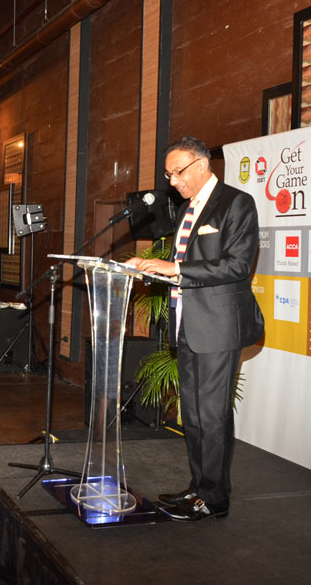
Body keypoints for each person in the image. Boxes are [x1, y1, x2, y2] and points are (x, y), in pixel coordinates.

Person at [127, 136, 264, 522]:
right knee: (194, 415)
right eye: (168, 175)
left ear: (202, 165)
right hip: (186, 323)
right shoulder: (187, 209)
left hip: (218, 327)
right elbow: (181, 267)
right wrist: (150, 269)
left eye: (178, 172)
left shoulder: (236, 203)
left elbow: (237, 265)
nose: (173, 181)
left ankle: (214, 498)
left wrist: (175, 268)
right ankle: (199, 486)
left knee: (212, 415)